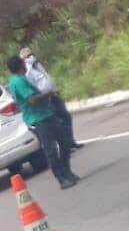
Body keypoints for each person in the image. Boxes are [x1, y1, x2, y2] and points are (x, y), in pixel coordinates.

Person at [6, 55, 80, 189]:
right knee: (50, 149)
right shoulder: (18, 82)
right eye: (23, 63)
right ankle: (62, 177)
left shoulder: (18, 80)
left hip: (46, 114)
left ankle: (66, 171)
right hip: (38, 119)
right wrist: (48, 93)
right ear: (20, 65)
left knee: (64, 142)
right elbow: (32, 100)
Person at [20, 47, 83, 152]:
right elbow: (33, 86)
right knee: (55, 123)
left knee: (66, 117)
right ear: (23, 59)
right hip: (45, 98)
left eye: (32, 54)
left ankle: (70, 142)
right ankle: (65, 147)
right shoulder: (27, 71)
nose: (31, 57)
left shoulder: (37, 65)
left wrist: (55, 89)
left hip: (53, 94)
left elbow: (46, 78)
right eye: (28, 56)